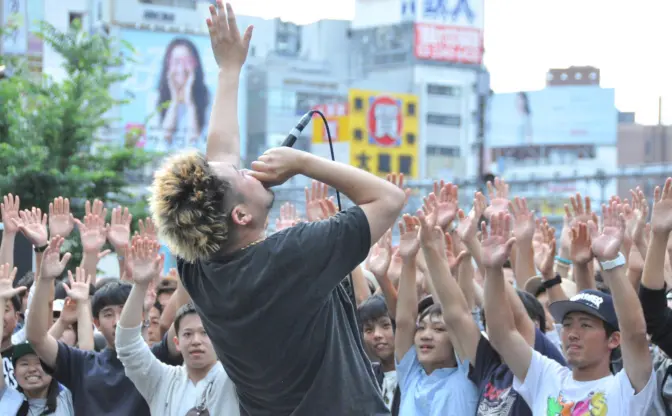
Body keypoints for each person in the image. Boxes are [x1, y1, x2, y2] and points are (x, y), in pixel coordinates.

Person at [149, 2, 405, 415]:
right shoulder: (290, 256)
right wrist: (303, 162)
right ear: (241, 216)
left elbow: (221, 159)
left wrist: (229, 70)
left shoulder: (198, 268)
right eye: (242, 175)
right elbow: (388, 199)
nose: (248, 168)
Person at [484, 209, 655, 415]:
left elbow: (635, 332)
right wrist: (493, 270)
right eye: (566, 325)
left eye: (585, 325)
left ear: (614, 339)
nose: (572, 334)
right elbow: (501, 336)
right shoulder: (545, 376)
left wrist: (611, 262)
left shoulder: (627, 387)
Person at [116, 238, 238, 415]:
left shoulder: (237, 378)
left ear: (218, 339)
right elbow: (128, 346)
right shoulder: (161, 379)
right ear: (177, 342)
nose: (196, 341)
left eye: (204, 333)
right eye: (187, 334)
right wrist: (140, 285)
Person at [158, 38, 210, 148]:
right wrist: (174, 102)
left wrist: (190, 103)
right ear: (168, 64)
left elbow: (195, 142)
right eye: (176, 62)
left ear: (196, 64)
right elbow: (163, 141)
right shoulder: (155, 97)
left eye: (187, 62)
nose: (181, 68)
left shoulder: (208, 97)